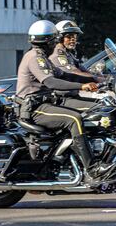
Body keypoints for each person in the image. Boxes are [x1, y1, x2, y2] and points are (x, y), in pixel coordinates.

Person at [16, 20, 104, 182]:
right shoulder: (35, 58)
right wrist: (82, 86)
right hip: (34, 108)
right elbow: (51, 82)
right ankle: (92, 168)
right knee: (73, 119)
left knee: (93, 111)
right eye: (54, 40)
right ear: (48, 41)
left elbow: (65, 75)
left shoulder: (43, 57)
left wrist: (97, 80)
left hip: (46, 103)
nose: (56, 44)